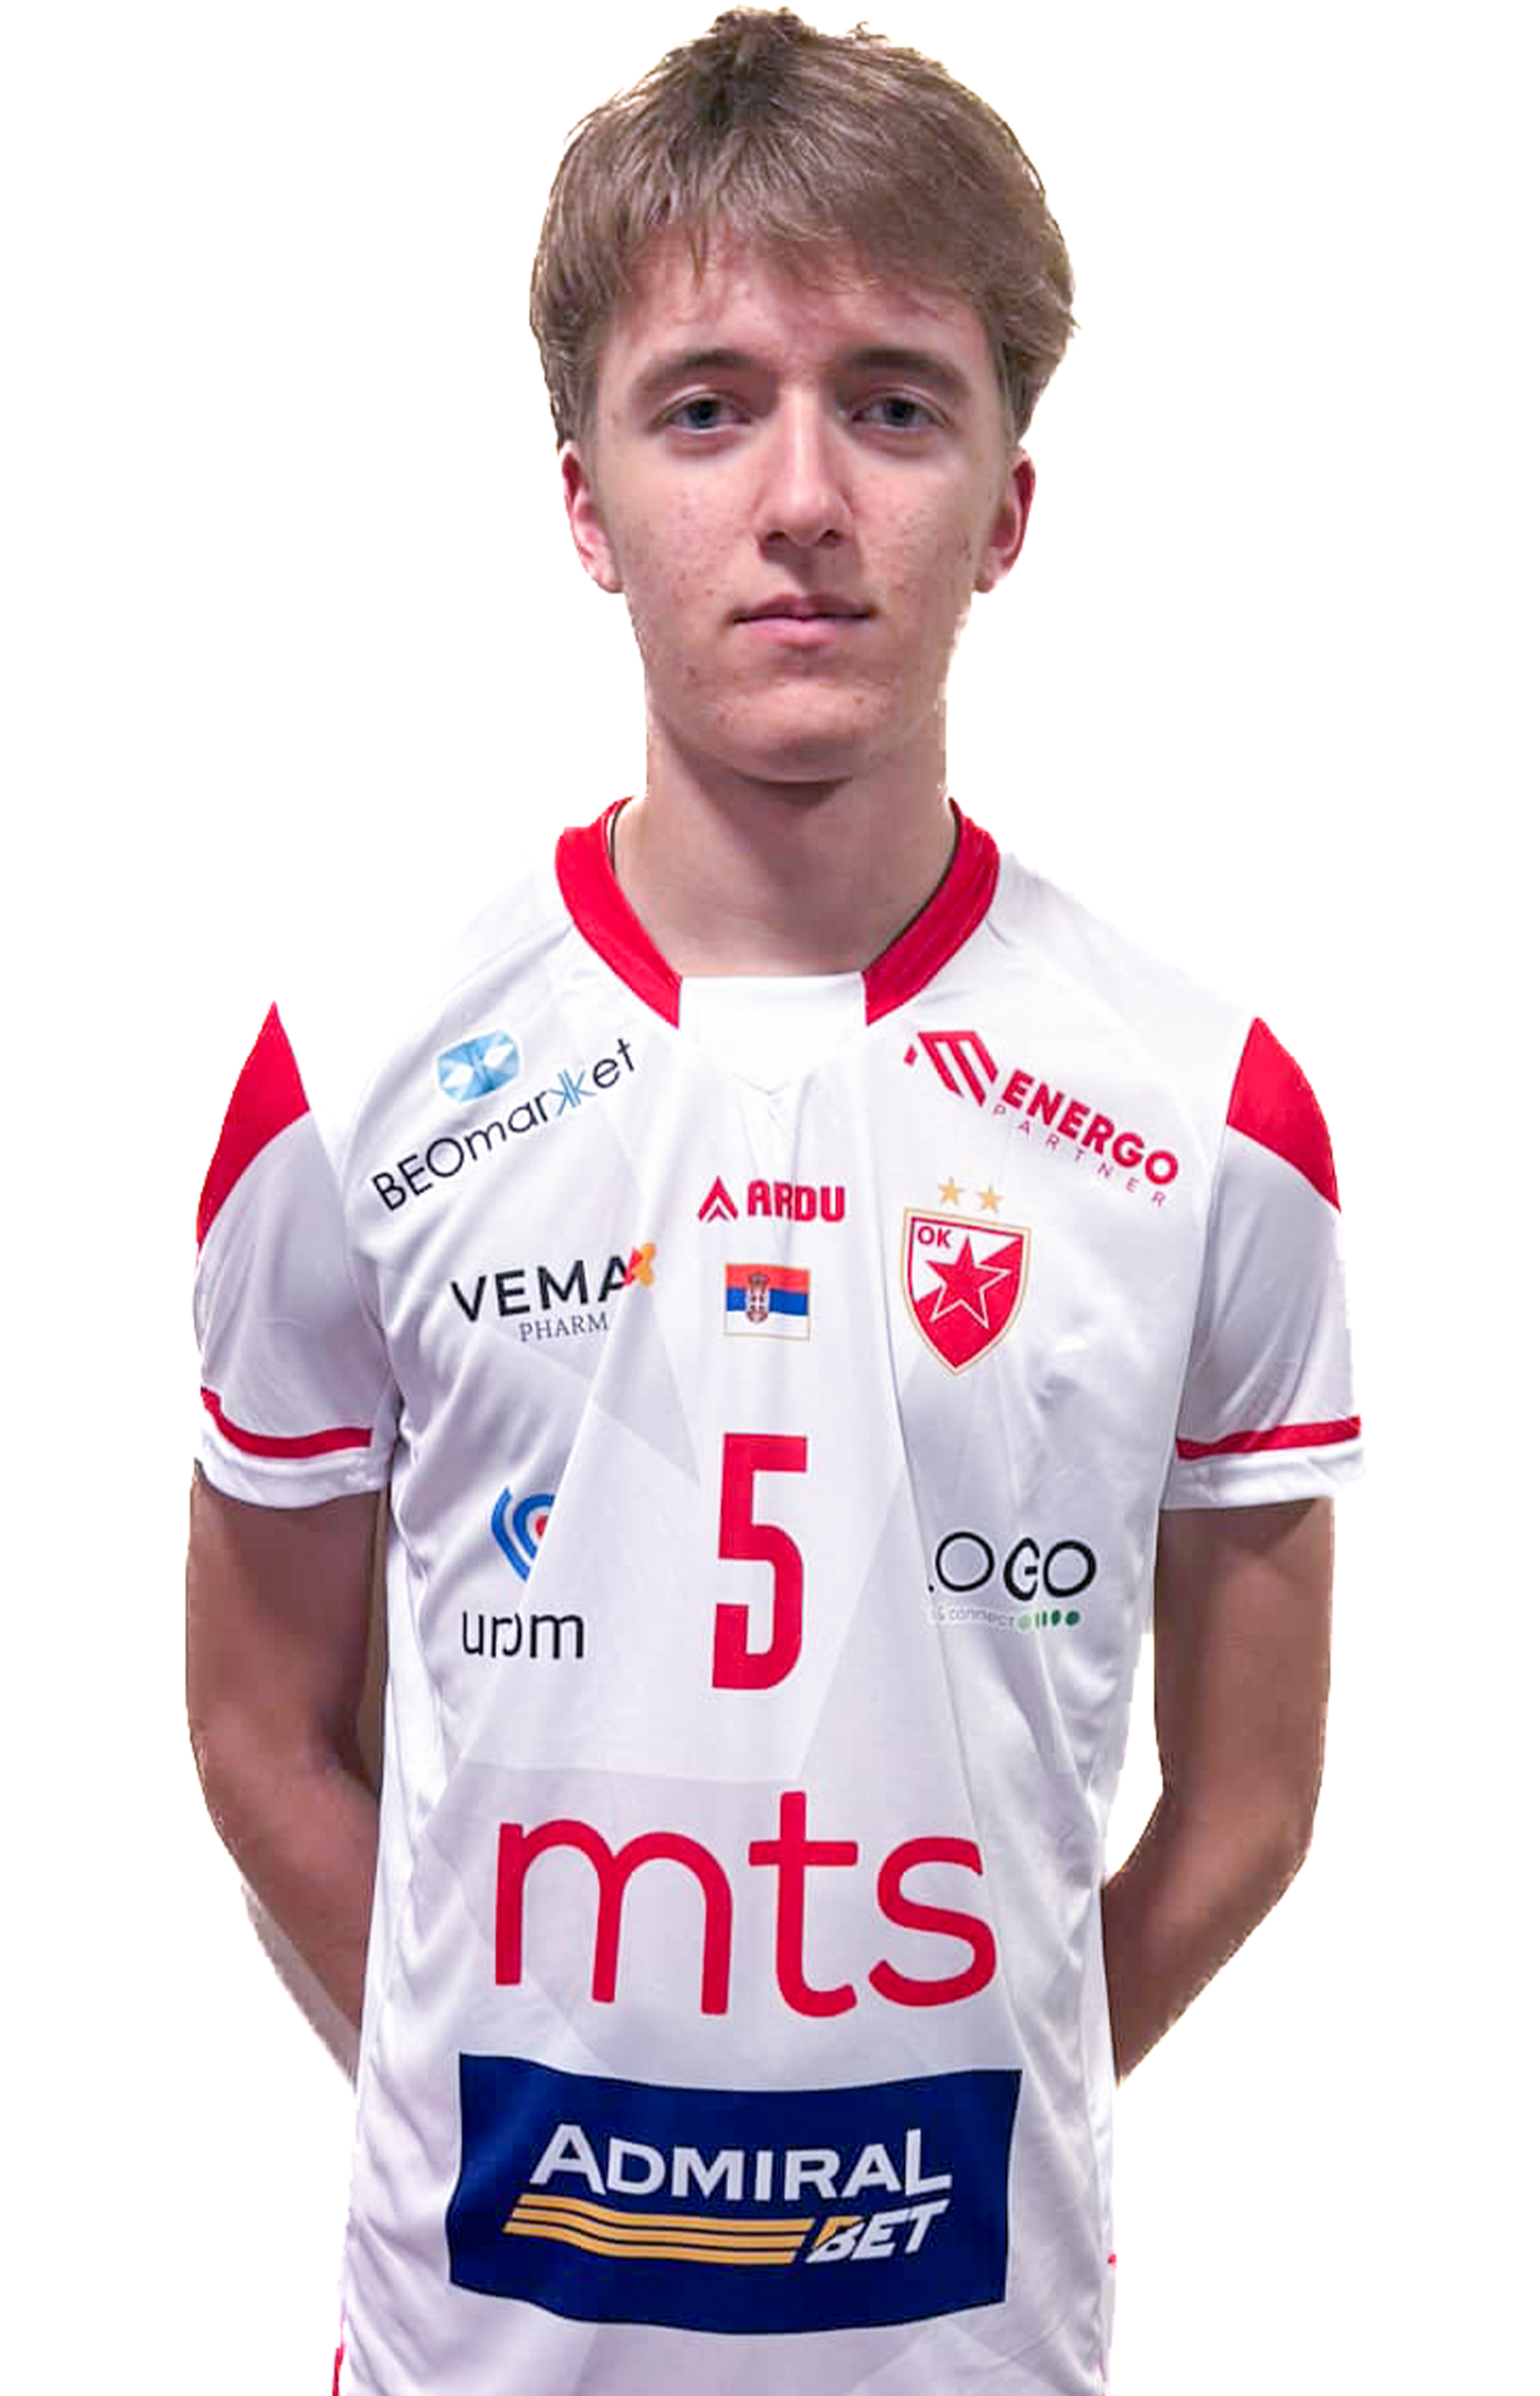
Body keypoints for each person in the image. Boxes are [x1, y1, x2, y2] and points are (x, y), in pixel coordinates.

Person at [186, 12, 1361, 2392]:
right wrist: (484, 2087)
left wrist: (975, 2109)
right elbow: (257, 1732)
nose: (805, 497)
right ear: (587, 501)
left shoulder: (1211, 1114)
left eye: (896, 406)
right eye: (708, 406)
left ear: (1007, 504)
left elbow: (1248, 1802)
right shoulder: (347, 1084)